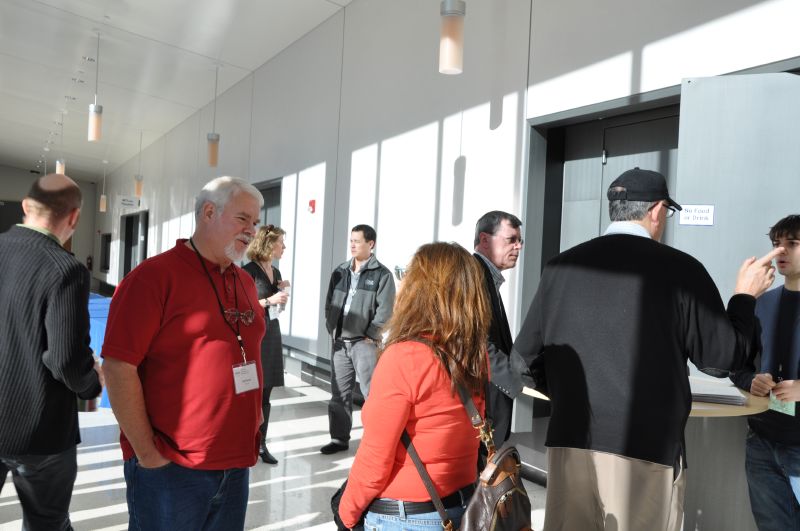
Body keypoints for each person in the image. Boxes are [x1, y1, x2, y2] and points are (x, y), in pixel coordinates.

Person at [512, 167, 782, 531]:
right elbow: (721, 359)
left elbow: (523, 360)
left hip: (569, 442)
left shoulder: (560, 267)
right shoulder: (681, 270)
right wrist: (744, 298)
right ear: (657, 211)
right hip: (645, 448)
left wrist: (571, 394)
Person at [101, 176, 266, 530]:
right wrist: (147, 454)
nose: (251, 230)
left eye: (255, 222)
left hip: (236, 462)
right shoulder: (153, 278)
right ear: (209, 212)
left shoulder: (245, 281)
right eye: (242, 219)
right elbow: (117, 368)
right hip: (172, 467)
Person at [338, 242, 489, 530]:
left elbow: (374, 459)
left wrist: (345, 517)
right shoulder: (474, 354)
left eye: (406, 274)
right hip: (462, 505)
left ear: (420, 288)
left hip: (405, 516)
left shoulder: (404, 356)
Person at [0, 174, 103, 531]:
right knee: (46, 522)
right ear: (74, 218)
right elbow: (65, 360)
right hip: (39, 428)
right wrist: (92, 383)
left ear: (26, 207)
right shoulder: (66, 269)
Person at [731, 214, 800, 531]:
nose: (781, 251)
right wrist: (751, 381)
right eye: (776, 244)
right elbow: (737, 365)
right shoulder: (761, 304)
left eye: (793, 244)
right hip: (761, 441)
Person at [321, 224, 395, 455]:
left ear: (370, 244)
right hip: (340, 343)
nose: (352, 245)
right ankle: (339, 439)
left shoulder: (382, 274)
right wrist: (331, 326)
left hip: (364, 344)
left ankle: (377, 442)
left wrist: (371, 335)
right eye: (351, 240)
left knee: (372, 395)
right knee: (339, 395)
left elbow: (386, 310)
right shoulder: (340, 271)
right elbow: (329, 302)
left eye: (357, 241)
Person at [473, 210, 526, 444]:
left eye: (519, 241)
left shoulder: (485, 276)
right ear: (485, 240)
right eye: (511, 240)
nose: (518, 247)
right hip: (481, 407)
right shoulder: (473, 276)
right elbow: (477, 342)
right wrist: (517, 381)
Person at [243, 224, 290, 465]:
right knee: (250, 392)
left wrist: (281, 296)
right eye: (281, 242)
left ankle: (261, 444)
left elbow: (275, 308)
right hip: (253, 337)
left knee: (266, 391)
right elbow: (243, 307)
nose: (284, 247)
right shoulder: (248, 271)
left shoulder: (277, 273)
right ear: (269, 245)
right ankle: (244, 441)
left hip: (271, 333)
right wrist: (269, 299)